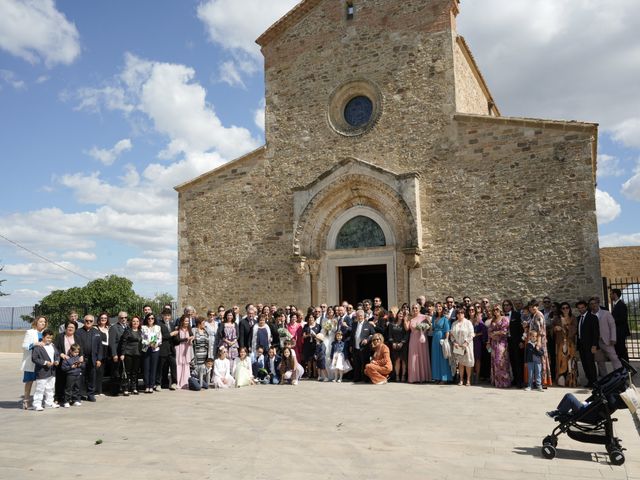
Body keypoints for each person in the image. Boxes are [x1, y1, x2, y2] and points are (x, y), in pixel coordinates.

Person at [20, 316, 48, 410]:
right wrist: (34, 344)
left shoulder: (45, 333)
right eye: (41, 321)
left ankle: (38, 402)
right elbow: (24, 346)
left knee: (41, 382)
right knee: (29, 382)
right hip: (32, 361)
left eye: (44, 322)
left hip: (42, 361)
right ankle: (26, 401)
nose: (43, 323)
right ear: (36, 322)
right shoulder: (30, 332)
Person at [589, 297, 622, 378]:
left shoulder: (606, 313)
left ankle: (620, 374)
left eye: (595, 303)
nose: (593, 305)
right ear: (590, 306)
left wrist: (613, 338)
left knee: (614, 357)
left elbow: (612, 326)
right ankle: (604, 377)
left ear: (598, 303)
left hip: (607, 340)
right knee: (600, 361)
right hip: (596, 342)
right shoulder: (589, 315)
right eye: (591, 304)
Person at [75, 315, 103, 402]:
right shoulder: (78, 332)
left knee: (92, 377)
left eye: (91, 321)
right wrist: (80, 355)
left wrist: (99, 359)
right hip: (82, 358)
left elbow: (100, 347)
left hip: (93, 358)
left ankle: (91, 394)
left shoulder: (97, 332)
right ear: (84, 321)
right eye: (87, 320)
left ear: (93, 322)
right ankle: (79, 395)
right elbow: (76, 345)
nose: (88, 322)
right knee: (80, 378)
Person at [31, 329, 60, 411]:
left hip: (52, 371)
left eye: (51, 338)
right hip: (42, 371)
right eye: (47, 338)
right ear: (43, 337)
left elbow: (57, 355)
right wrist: (45, 362)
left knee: (50, 388)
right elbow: (34, 358)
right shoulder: (38, 347)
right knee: (40, 389)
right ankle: (36, 404)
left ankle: (49, 403)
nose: (49, 340)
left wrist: (57, 361)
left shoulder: (53, 345)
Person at [527, 300, 552, 387]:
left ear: (537, 306)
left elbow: (540, 330)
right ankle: (538, 381)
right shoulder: (534, 315)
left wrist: (538, 343)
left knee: (540, 361)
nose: (532, 308)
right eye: (530, 307)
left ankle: (542, 382)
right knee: (536, 361)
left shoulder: (538, 315)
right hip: (534, 340)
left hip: (539, 341)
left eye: (534, 306)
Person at [553, 302, 578, 387]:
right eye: (563, 308)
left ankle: (571, 381)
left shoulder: (573, 318)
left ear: (569, 308)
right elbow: (551, 330)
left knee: (570, 362)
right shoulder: (557, 319)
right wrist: (555, 329)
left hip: (570, 343)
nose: (565, 309)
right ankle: (561, 381)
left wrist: (567, 326)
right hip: (560, 344)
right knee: (561, 362)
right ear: (561, 309)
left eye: (567, 307)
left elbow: (575, 329)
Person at [575, 300, 599, 388]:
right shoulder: (578, 318)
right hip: (581, 345)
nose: (581, 309)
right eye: (579, 308)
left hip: (590, 345)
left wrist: (594, 345)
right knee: (584, 364)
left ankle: (594, 382)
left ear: (586, 307)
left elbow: (596, 333)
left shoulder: (593, 317)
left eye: (582, 308)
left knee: (590, 364)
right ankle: (589, 381)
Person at [405, 303, 431, 384]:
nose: (414, 309)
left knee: (422, 356)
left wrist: (429, 321)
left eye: (416, 308)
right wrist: (405, 319)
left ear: (419, 309)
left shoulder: (424, 317)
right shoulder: (410, 318)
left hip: (422, 339)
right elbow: (406, 328)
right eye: (413, 308)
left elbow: (430, 327)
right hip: (413, 339)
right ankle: (414, 377)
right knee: (413, 357)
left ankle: (424, 377)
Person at [54, 321, 77, 404]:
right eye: (69, 327)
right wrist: (61, 354)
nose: (70, 328)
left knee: (70, 381)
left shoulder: (77, 337)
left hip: (73, 362)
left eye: (73, 327)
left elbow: (81, 348)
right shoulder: (60, 336)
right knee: (60, 380)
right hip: (62, 361)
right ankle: (57, 397)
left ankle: (69, 398)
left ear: (75, 329)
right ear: (66, 328)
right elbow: (55, 347)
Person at [488, 305, 511, 388]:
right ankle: (497, 381)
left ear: (500, 310)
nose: (495, 311)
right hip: (494, 343)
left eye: (497, 309)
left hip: (502, 343)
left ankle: (504, 382)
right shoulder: (493, 320)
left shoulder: (504, 319)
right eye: (494, 309)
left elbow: (505, 331)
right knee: (495, 362)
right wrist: (491, 337)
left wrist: (494, 333)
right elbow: (489, 331)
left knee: (501, 362)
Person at [119, 315, 143, 395]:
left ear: (139, 323)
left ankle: (134, 388)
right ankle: (125, 388)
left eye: (137, 321)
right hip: (128, 353)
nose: (135, 323)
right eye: (134, 321)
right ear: (131, 322)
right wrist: (122, 353)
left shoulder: (141, 332)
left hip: (138, 354)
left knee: (135, 372)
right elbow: (123, 343)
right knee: (127, 372)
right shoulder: (127, 331)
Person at [450, 308, 474, 386]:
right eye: (459, 312)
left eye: (462, 312)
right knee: (460, 363)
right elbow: (451, 335)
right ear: (456, 314)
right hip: (458, 346)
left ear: (464, 314)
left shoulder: (468, 322)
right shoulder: (454, 323)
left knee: (467, 362)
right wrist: (454, 342)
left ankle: (468, 380)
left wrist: (465, 343)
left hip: (467, 345)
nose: (460, 314)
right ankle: (460, 380)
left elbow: (471, 333)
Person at [351, 309, 376, 382]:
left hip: (364, 348)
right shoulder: (354, 324)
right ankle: (357, 378)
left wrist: (367, 340)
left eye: (361, 316)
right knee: (356, 363)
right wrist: (351, 346)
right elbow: (352, 336)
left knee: (365, 363)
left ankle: (366, 379)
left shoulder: (368, 324)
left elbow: (373, 334)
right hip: (355, 347)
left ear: (363, 316)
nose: (359, 317)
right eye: (358, 316)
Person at [504, 299, 524, 389]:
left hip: (515, 341)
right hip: (505, 341)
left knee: (517, 361)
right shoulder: (502, 316)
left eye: (507, 305)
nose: (506, 306)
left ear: (511, 306)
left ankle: (520, 381)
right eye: (504, 305)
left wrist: (521, 341)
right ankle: (514, 379)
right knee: (511, 360)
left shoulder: (517, 315)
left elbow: (521, 329)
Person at [157, 308, 178, 390]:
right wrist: (171, 334)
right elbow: (160, 337)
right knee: (161, 368)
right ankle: (158, 383)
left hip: (171, 349)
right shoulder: (159, 325)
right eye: (165, 315)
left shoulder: (172, 325)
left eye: (168, 315)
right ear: (162, 316)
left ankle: (174, 383)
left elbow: (174, 338)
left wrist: (178, 338)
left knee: (173, 367)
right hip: (162, 349)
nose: (167, 317)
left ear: (170, 316)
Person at [108, 311, 129, 396]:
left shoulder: (128, 327)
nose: (123, 319)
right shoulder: (114, 328)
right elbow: (112, 342)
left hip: (126, 353)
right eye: (121, 318)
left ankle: (124, 388)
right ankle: (114, 390)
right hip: (117, 353)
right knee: (116, 372)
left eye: (125, 317)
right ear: (118, 318)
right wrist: (114, 354)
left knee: (124, 372)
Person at [141, 313, 162, 393]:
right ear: (146, 319)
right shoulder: (143, 327)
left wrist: (154, 344)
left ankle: (151, 385)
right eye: (149, 318)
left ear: (154, 319)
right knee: (146, 368)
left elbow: (159, 338)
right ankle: (146, 385)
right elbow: (142, 337)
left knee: (153, 368)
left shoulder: (157, 327)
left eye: (152, 318)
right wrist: (148, 344)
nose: (150, 320)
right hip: (146, 349)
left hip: (155, 349)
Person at [431, 302, 451, 384]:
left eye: (440, 306)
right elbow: (432, 328)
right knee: (435, 357)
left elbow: (447, 330)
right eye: (437, 306)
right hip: (435, 338)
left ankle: (444, 378)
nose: (438, 307)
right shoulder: (434, 317)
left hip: (442, 338)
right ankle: (437, 377)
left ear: (442, 308)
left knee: (443, 358)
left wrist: (446, 339)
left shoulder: (445, 318)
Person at [387, 310, 409, 382]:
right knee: (397, 360)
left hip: (403, 345)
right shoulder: (391, 324)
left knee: (403, 361)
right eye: (400, 313)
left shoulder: (405, 324)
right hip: (394, 345)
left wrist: (402, 343)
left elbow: (407, 334)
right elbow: (389, 335)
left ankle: (403, 376)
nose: (401, 315)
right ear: (397, 314)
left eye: (402, 314)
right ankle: (397, 376)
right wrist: (393, 342)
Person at [610, 288, 630, 363]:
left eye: (611, 294)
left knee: (621, 351)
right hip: (618, 332)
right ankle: (623, 369)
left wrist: (611, 321)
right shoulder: (617, 305)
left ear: (615, 294)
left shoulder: (621, 305)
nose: (610, 296)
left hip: (620, 332)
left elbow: (623, 319)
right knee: (619, 351)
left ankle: (627, 370)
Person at [176, 315, 194, 389]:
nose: (186, 322)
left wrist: (191, 340)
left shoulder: (189, 329)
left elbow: (192, 337)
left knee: (186, 365)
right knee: (179, 364)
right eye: (185, 321)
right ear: (182, 321)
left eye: (187, 321)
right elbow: (177, 340)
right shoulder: (177, 329)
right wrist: (186, 339)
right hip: (179, 348)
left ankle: (185, 383)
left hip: (187, 348)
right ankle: (178, 383)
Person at [470, 305, 487, 383]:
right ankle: (470, 376)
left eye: (473, 310)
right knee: (470, 358)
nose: (471, 311)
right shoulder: (468, 320)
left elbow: (484, 331)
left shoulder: (479, 321)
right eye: (470, 310)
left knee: (477, 359)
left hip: (477, 342)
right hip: (469, 342)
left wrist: (476, 334)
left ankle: (477, 376)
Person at [95, 312, 110, 396]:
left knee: (102, 372)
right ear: (99, 319)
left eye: (105, 318)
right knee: (97, 371)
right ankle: (96, 391)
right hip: (99, 351)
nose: (103, 319)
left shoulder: (109, 328)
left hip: (107, 351)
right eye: (102, 318)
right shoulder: (96, 328)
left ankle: (100, 390)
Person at [302, 313, 321, 379]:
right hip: (308, 344)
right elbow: (303, 336)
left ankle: (315, 374)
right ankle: (309, 374)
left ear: (314, 318)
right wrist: (308, 335)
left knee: (315, 359)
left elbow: (320, 336)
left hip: (315, 344)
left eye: (312, 317)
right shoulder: (305, 326)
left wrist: (315, 336)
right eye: (309, 318)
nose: (311, 319)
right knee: (309, 360)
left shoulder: (318, 326)